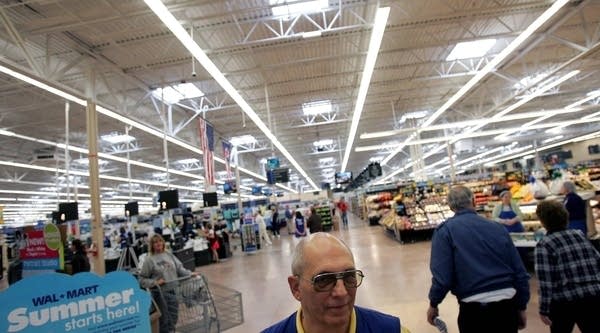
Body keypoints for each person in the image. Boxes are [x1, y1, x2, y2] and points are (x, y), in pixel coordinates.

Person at [427, 185, 530, 333]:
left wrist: (434, 303)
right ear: (474, 201)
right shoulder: (497, 228)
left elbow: (443, 277)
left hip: (474, 311)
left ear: (450, 206)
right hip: (507, 308)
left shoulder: (445, 232)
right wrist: (521, 306)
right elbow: (519, 271)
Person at [261, 232, 403, 333]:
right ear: (296, 288)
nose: (341, 292)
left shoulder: (393, 330)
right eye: (324, 280)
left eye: (349, 276)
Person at [534, 200, 600, 333]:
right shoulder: (579, 235)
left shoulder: (544, 244)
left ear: (543, 221)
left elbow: (546, 282)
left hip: (564, 301)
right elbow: (597, 260)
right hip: (592, 296)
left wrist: (544, 309)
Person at [139, 234, 199, 333]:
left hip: (173, 291)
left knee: (174, 317)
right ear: (152, 245)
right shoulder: (149, 260)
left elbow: (179, 268)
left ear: (163, 242)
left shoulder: (168, 254)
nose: (158, 244)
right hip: (160, 294)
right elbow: (141, 279)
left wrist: (190, 273)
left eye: (159, 241)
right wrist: (155, 282)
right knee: (164, 320)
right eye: (155, 242)